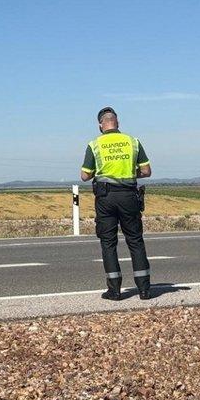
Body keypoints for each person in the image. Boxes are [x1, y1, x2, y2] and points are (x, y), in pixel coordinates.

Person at [80, 107, 152, 300]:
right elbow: (146, 171)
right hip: (129, 195)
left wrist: (103, 174)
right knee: (135, 240)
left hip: (106, 197)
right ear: (117, 123)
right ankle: (144, 289)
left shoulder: (95, 144)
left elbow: (85, 175)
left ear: (100, 125)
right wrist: (129, 174)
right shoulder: (133, 142)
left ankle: (114, 290)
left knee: (108, 242)